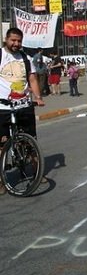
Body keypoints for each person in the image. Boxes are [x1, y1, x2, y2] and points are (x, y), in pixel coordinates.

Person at [0, 28, 45, 195]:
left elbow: (32, 79)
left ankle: (37, 171)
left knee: (30, 141)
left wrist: (38, 97)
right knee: (1, 145)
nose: (16, 44)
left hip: (24, 106)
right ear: (6, 39)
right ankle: (1, 180)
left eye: (19, 41)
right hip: (2, 108)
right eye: (13, 40)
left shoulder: (25, 58)